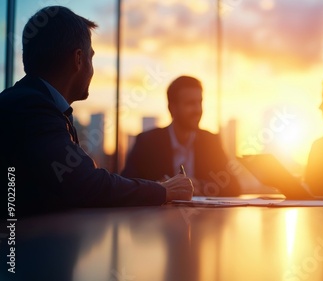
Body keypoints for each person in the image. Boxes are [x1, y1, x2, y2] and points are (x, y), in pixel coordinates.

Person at [0, 6, 193, 216]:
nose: (92, 69)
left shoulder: (33, 104)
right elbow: (84, 182)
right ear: (79, 59)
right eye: (91, 58)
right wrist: (163, 190)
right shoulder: (32, 108)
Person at [121, 76, 241, 197]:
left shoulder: (211, 141)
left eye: (200, 102)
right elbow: (126, 186)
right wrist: (160, 187)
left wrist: (201, 186)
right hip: (159, 216)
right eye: (190, 103)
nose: (198, 109)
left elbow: (234, 187)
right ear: (172, 108)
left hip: (201, 215)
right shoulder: (147, 142)